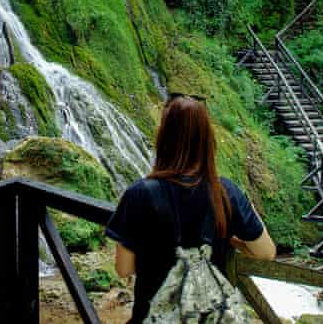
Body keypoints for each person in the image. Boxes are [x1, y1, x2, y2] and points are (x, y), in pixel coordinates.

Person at [105, 94, 276, 324]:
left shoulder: (139, 193)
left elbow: (124, 269)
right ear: (208, 141)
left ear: (163, 139)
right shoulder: (226, 192)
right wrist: (234, 235)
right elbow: (266, 252)